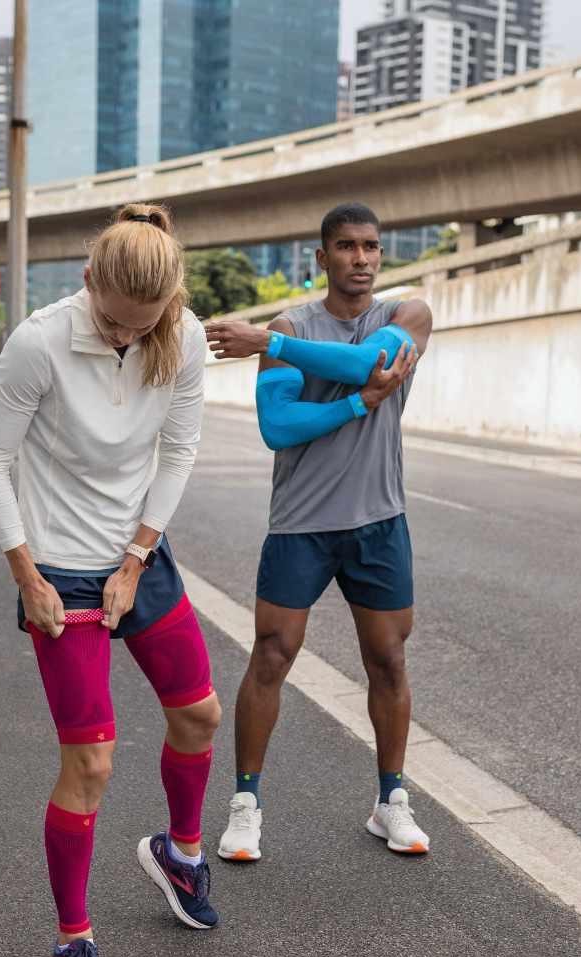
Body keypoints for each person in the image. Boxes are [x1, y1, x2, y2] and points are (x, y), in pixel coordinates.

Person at [0, 203, 220, 957]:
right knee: (92, 763)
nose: (125, 336)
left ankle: (181, 854)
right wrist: (26, 576)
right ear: (88, 282)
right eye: (114, 322)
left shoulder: (181, 337)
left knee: (200, 713)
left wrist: (138, 556)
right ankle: (70, 943)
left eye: (143, 325)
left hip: (136, 555)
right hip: (58, 570)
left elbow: (178, 449)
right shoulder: (39, 342)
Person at [202, 202, 432, 863]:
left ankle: (390, 800)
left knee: (388, 661)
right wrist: (360, 403)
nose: (361, 258)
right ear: (322, 257)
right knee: (272, 655)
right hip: (301, 523)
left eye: (371, 246)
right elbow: (279, 427)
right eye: (347, 246)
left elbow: (371, 362)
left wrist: (269, 347)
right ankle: (246, 805)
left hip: (378, 519)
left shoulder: (407, 316)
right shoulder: (292, 323)